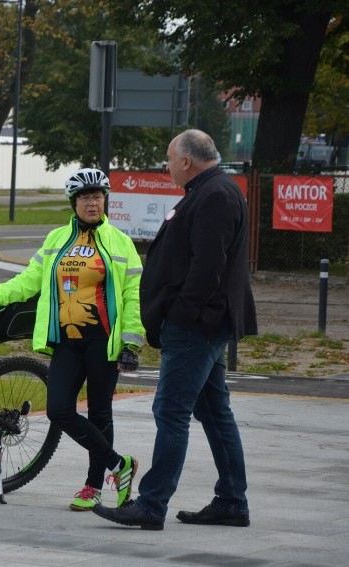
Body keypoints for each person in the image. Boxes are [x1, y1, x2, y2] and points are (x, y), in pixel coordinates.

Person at [92, 129, 258, 531]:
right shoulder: (211, 189)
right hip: (204, 323)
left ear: (186, 161)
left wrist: (181, 315)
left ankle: (151, 505)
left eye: (169, 159)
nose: (167, 167)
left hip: (197, 326)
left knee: (171, 412)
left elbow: (207, 267)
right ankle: (232, 501)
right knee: (214, 412)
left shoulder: (215, 194)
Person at [0, 168, 144, 512]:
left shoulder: (121, 243)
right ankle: (120, 466)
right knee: (59, 410)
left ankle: (92, 486)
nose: (93, 203)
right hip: (66, 341)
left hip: (103, 341)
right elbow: (28, 281)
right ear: (73, 203)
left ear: (106, 200)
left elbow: (133, 295)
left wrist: (131, 343)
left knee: (101, 412)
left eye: (98, 196)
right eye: (86, 198)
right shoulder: (57, 238)